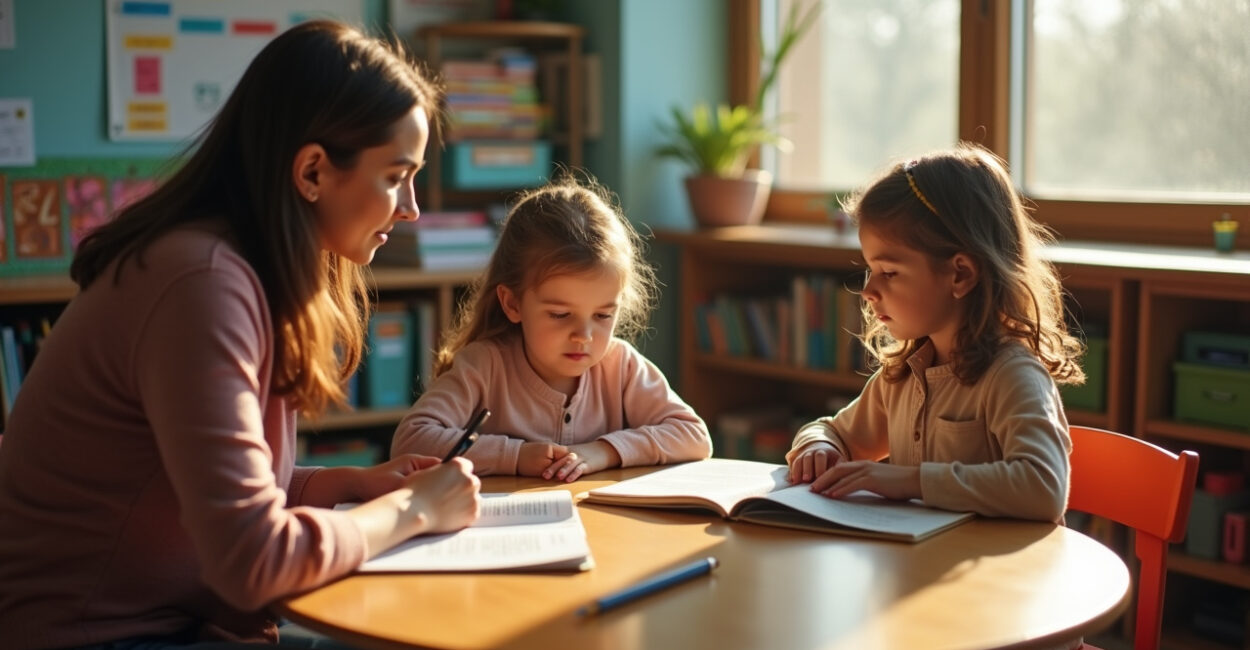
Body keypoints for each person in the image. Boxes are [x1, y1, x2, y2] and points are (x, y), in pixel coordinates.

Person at [0, 20, 482, 649]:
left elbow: (222, 491)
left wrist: (352, 483)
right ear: (312, 172)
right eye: (395, 176)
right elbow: (254, 559)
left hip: (168, 617)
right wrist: (412, 511)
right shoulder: (200, 284)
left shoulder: (234, 267)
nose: (411, 207)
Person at [786, 143, 1083, 523]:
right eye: (869, 269)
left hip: (1000, 579)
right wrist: (817, 445)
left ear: (960, 274)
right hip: (920, 569)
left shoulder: (1012, 375)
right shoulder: (903, 375)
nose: (868, 290)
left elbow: (1043, 488)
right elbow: (834, 432)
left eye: (889, 272)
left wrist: (911, 481)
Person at [391, 177, 712, 481]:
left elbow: (695, 437)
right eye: (560, 314)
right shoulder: (484, 366)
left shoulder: (622, 367)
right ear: (513, 304)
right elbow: (410, 441)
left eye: (603, 316)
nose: (583, 335)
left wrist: (605, 451)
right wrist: (515, 456)